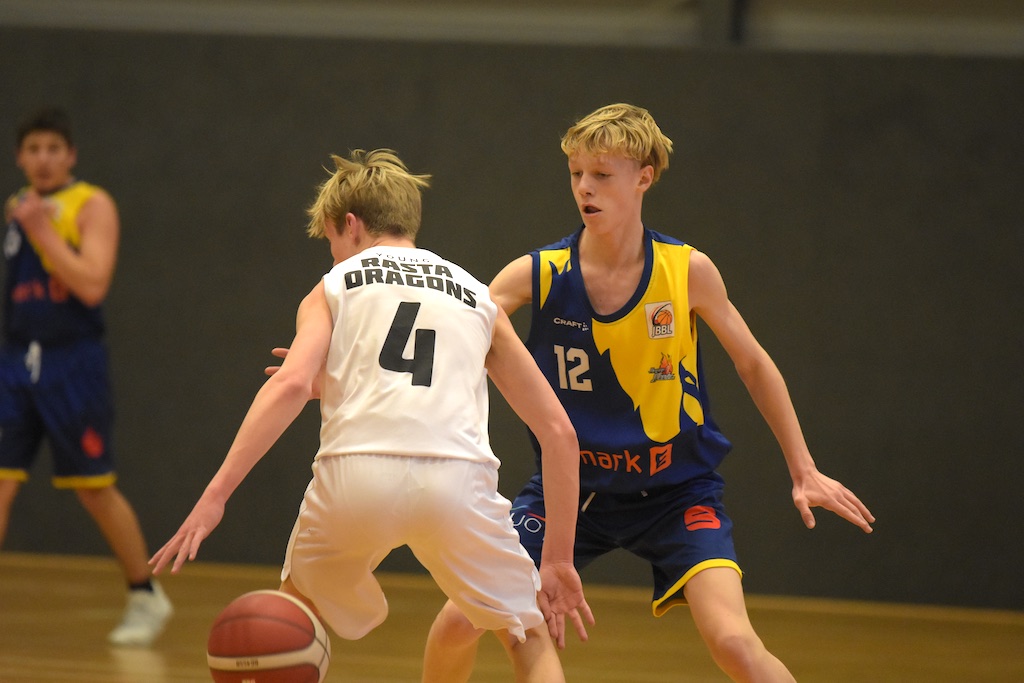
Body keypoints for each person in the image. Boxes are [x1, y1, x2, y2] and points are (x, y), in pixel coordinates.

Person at [422, 103, 876, 683]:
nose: (584, 188)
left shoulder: (687, 271)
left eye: (602, 175)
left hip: (676, 492)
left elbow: (754, 365)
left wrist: (803, 467)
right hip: (573, 496)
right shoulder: (539, 273)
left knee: (735, 643)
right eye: (576, 174)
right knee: (457, 622)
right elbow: (453, 333)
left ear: (644, 177)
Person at [149, 149, 592, 682]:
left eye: (332, 241)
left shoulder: (335, 285)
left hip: (355, 475)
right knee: (528, 639)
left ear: (351, 225)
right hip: (457, 479)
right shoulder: (478, 296)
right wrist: (559, 558)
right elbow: (559, 432)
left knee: (291, 616)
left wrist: (214, 497)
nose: (333, 256)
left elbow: (291, 383)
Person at [0, 106, 173, 646]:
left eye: (54, 148)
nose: (44, 158)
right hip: (15, 360)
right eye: (33, 149)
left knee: (94, 489)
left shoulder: (91, 204)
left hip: (72, 362)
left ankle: (145, 593)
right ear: (20, 157)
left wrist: (42, 233)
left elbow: (92, 284)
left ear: (70, 155)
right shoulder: (17, 208)